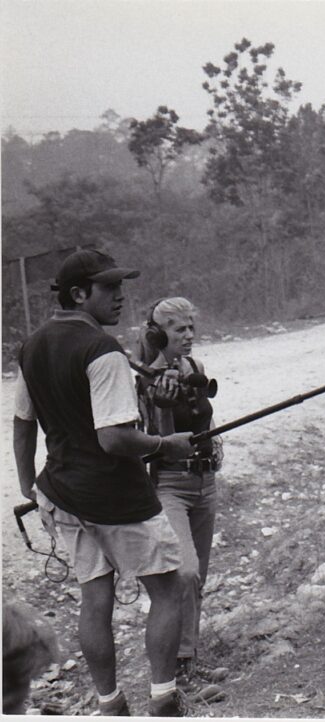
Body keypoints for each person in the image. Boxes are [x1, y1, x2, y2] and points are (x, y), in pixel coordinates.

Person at [12, 249, 194, 717]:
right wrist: (164, 445)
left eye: (120, 286)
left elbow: (22, 422)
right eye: (109, 289)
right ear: (78, 294)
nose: (120, 297)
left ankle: (110, 703)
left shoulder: (31, 346)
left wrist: (28, 485)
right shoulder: (103, 350)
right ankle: (163, 697)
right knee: (168, 589)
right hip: (117, 495)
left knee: (95, 596)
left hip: (62, 492)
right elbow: (114, 439)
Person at [134, 297, 226, 696]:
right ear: (158, 335)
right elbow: (142, 439)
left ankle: (189, 660)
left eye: (191, 328)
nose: (188, 336)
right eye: (178, 330)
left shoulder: (194, 369)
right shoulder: (142, 379)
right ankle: (175, 670)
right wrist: (159, 404)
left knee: (197, 578)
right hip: (169, 483)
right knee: (183, 573)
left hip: (205, 482)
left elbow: (204, 418)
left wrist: (216, 444)